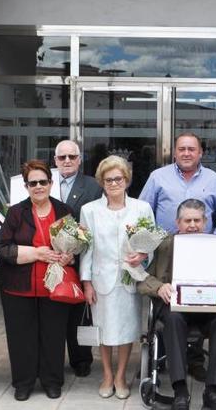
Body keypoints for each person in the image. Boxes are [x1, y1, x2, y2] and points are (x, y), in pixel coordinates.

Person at [140, 132, 216, 380]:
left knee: (203, 301)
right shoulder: (157, 178)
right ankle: (172, 360)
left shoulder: (214, 180)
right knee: (173, 304)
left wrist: (214, 242)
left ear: (200, 152)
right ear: (174, 152)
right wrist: (151, 243)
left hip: (204, 255)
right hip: (166, 253)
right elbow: (142, 213)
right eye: (181, 149)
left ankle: (194, 361)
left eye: (191, 149)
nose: (186, 153)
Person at [138, 199, 216, 410]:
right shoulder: (166, 245)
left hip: (209, 309)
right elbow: (143, 280)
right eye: (188, 220)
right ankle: (180, 390)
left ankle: (214, 391)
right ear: (178, 222)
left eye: (197, 220)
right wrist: (159, 287)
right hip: (176, 309)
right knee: (172, 317)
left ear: (205, 222)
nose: (193, 225)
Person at [0, 159, 76, 401]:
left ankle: (52, 380)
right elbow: (2, 247)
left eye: (43, 182)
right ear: (26, 186)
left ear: (51, 184)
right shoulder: (16, 212)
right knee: (21, 336)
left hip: (55, 284)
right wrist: (36, 253)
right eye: (33, 183)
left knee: (53, 334)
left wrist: (69, 257)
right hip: (19, 286)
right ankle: (23, 382)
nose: (38, 186)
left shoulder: (64, 210)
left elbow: (74, 243)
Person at [80, 155, 155, 399]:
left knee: (125, 329)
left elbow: (150, 245)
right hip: (101, 280)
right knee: (104, 330)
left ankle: (121, 375)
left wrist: (143, 257)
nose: (114, 183)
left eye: (118, 178)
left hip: (128, 278)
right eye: (108, 179)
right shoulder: (89, 210)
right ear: (101, 182)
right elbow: (86, 249)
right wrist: (86, 282)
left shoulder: (141, 208)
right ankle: (107, 375)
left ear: (127, 180)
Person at [54, 140, 103, 378]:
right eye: (62, 157)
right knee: (53, 309)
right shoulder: (45, 182)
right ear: (55, 161)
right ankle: (53, 358)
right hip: (49, 257)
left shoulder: (93, 186)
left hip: (79, 257)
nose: (67, 161)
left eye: (72, 157)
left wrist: (74, 250)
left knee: (79, 310)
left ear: (79, 159)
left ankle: (81, 358)